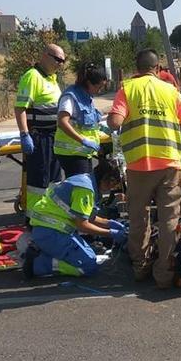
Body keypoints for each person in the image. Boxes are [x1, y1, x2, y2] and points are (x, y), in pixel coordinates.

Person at [108, 49, 181, 289]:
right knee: (168, 219)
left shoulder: (127, 89)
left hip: (137, 167)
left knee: (138, 218)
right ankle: (164, 275)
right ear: (158, 69)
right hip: (168, 165)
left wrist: (115, 118)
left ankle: (140, 268)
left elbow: (115, 122)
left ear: (137, 67)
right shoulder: (171, 92)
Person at [24, 162, 126, 278]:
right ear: (108, 179)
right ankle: (38, 264)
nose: (112, 188)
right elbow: (82, 225)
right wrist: (110, 233)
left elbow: (87, 217)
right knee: (88, 267)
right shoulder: (85, 191)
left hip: (48, 230)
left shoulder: (84, 180)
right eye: (114, 184)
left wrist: (109, 223)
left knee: (91, 256)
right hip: (52, 233)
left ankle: (43, 251)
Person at [15, 44, 65, 215]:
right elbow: (20, 108)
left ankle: (51, 216)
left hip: (54, 137)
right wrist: (24, 134)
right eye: (57, 59)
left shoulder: (52, 79)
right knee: (38, 183)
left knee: (55, 181)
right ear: (45, 56)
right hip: (39, 138)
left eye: (63, 61)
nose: (61, 64)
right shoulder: (32, 77)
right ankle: (35, 221)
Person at [54, 63, 108, 177]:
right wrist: (83, 140)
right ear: (89, 83)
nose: (99, 91)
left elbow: (87, 122)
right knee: (81, 188)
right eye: (98, 87)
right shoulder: (70, 96)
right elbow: (62, 122)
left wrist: (102, 128)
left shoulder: (86, 97)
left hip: (82, 152)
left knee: (86, 185)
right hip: (71, 153)